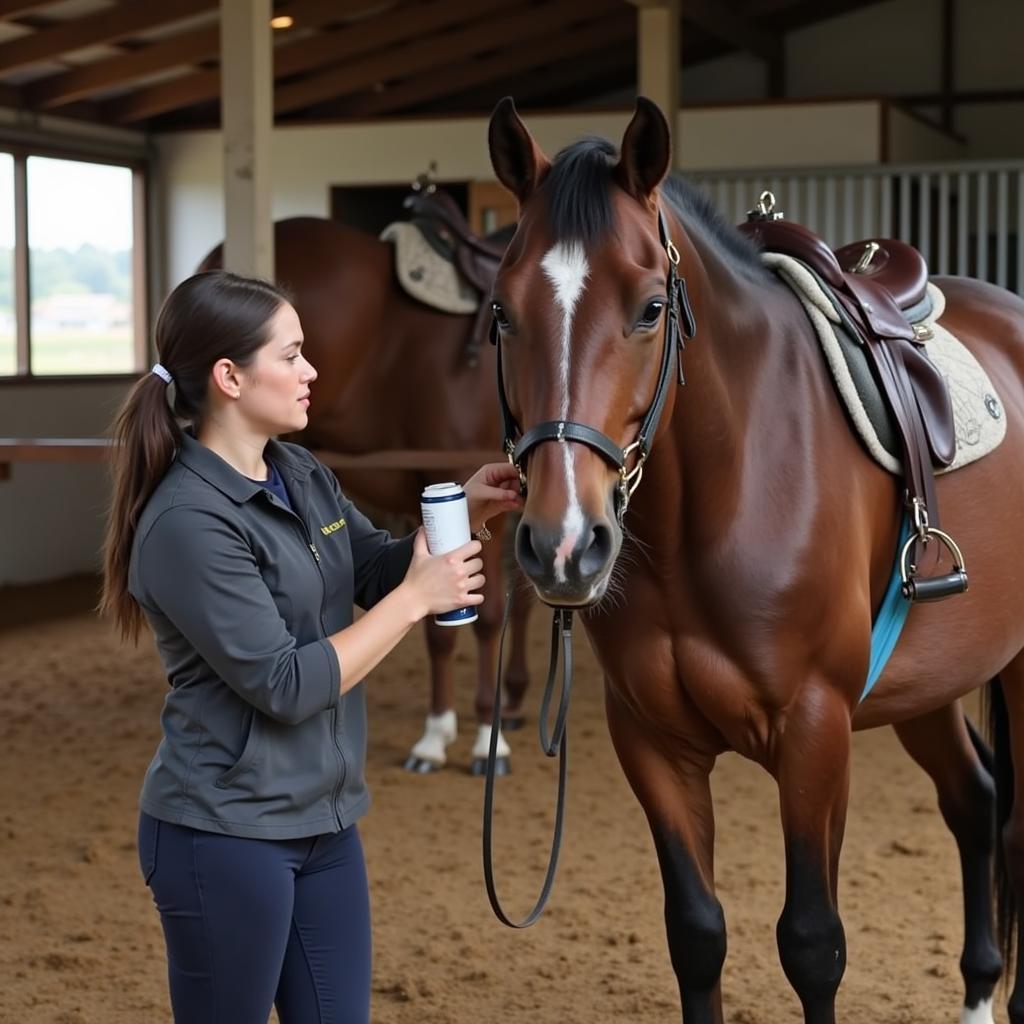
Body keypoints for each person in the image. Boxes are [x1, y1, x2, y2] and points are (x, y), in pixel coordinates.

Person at [100, 269, 522, 1024]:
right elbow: (287, 685)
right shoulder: (187, 523)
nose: (313, 371)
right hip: (223, 835)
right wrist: (416, 602)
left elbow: (371, 568)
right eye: (291, 355)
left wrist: (467, 510)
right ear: (230, 377)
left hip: (324, 827)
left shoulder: (297, 472)